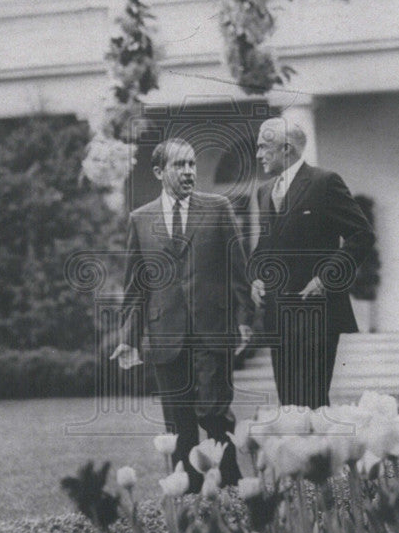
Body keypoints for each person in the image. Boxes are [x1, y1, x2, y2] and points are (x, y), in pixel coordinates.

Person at [111, 138, 253, 491]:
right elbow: (136, 287)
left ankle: (232, 489)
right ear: (160, 172)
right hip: (165, 336)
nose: (189, 171)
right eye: (180, 165)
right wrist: (129, 339)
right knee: (178, 423)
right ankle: (188, 493)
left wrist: (245, 319)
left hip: (212, 331)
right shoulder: (140, 219)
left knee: (215, 414)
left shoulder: (218, 208)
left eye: (192, 164)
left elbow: (239, 270)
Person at [250, 117, 375, 409]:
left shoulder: (324, 182)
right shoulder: (264, 191)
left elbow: (362, 235)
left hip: (316, 312)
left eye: (263, 147)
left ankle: (321, 455)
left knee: (313, 403)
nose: (258, 155)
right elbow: (264, 248)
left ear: (286, 148)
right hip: (278, 314)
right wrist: (256, 276)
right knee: (289, 405)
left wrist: (324, 279)